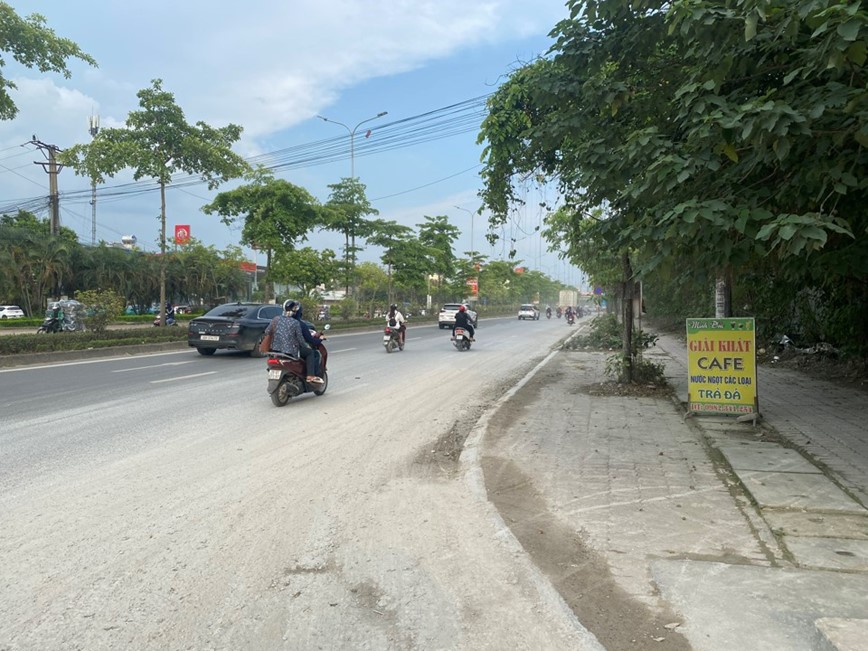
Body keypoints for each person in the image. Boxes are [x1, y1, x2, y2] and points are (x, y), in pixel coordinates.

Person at [264, 300, 323, 384]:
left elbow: (267, 332)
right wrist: (306, 346)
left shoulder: (275, 319)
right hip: (290, 351)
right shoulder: (295, 323)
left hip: (275, 350)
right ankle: (310, 376)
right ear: (296, 311)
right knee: (310, 353)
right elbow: (300, 339)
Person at [291, 303, 325, 377]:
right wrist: (319, 340)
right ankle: (311, 375)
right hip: (293, 349)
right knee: (312, 353)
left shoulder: (279, 322)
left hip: (279, 350)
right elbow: (306, 340)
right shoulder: (299, 324)